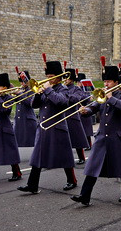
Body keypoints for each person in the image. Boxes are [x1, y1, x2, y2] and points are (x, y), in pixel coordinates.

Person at [71, 64, 121, 205]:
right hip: (102, 136)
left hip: (118, 136)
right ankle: (85, 195)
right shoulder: (102, 95)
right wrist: (85, 111)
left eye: (108, 82)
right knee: (92, 166)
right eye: (105, 81)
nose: (105, 84)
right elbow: (94, 107)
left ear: (115, 82)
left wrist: (111, 98)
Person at [17, 61, 77, 194]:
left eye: (52, 76)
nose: (49, 78)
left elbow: (61, 102)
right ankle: (32, 185)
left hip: (57, 127)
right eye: (48, 75)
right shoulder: (44, 89)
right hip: (43, 128)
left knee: (64, 156)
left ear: (59, 77)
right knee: (37, 156)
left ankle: (72, 180)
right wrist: (38, 93)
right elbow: (34, 105)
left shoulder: (63, 89)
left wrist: (48, 89)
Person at [64, 67, 90, 164]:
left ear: (72, 80)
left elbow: (75, 99)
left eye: (68, 78)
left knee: (77, 140)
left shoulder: (77, 89)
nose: (66, 80)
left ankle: (81, 157)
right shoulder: (62, 88)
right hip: (63, 116)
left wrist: (63, 95)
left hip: (72, 116)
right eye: (65, 78)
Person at [13, 69, 37, 147]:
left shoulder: (32, 89)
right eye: (20, 82)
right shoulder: (21, 90)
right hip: (19, 120)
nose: (22, 83)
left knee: (31, 143)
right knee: (17, 143)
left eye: (23, 81)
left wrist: (20, 94)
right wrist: (14, 93)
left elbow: (30, 102)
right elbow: (15, 101)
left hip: (28, 120)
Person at [76, 72, 94, 150]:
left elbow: (87, 98)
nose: (78, 83)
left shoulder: (86, 90)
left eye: (79, 82)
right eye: (77, 82)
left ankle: (89, 145)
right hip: (78, 110)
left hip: (85, 109)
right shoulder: (77, 89)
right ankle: (84, 144)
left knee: (86, 130)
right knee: (81, 130)